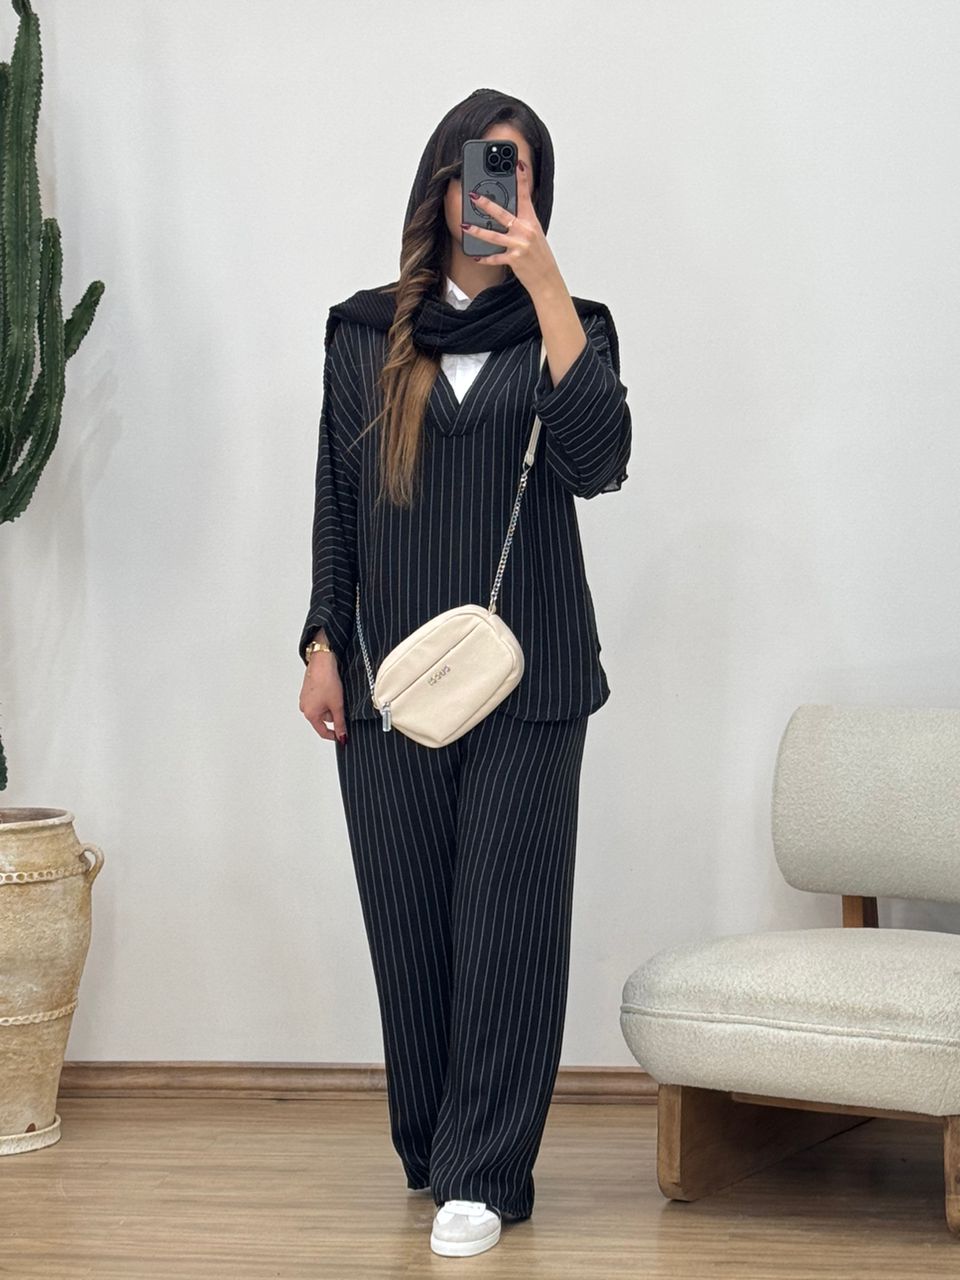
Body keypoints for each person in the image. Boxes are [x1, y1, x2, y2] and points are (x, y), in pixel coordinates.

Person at [297, 88, 632, 1258]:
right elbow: (338, 502)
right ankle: (436, 1144)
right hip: (390, 682)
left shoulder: (571, 324)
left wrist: (546, 283)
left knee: (506, 929)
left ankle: (484, 1171)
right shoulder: (363, 333)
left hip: (532, 684)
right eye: (484, 166)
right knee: (410, 930)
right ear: (441, 185)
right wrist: (321, 641)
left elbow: (600, 461)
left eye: (521, 170)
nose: (499, 186)